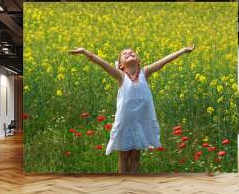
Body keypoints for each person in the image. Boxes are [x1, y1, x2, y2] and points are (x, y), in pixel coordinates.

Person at [69, 45, 195, 173]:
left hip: (140, 122)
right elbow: (102, 63)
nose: (129, 53)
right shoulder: (121, 76)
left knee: (135, 155)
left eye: (132, 52)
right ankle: (123, 183)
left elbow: (164, 61)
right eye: (125, 54)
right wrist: (85, 52)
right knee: (123, 155)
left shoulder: (145, 73)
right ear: (121, 65)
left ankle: (134, 184)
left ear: (139, 61)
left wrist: (183, 51)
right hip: (125, 123)